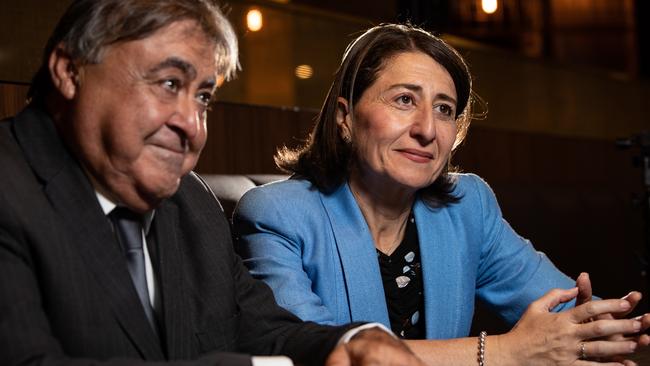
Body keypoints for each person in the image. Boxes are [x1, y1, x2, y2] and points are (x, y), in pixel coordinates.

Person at [0, 2, 426, 366]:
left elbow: (264, 332)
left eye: (203, 97)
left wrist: (350, 344)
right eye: (169, 84)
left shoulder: (191, 201)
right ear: (70, 72)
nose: (193, 126)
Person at [233, 23, 650, 365]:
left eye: (444, 109)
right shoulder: (277, 214)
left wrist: (621, 331)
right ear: (345, 118)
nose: (427, 129)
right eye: (403, 100)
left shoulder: (468, 206)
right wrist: (505, 352)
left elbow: (563, 314)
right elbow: (315, 354)